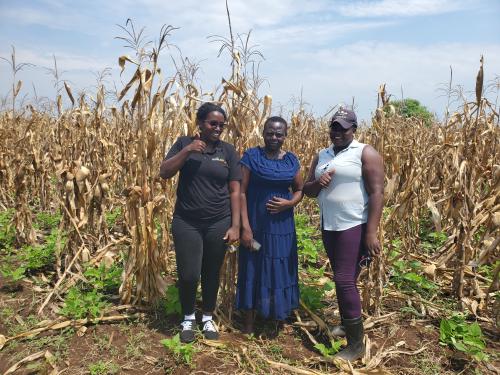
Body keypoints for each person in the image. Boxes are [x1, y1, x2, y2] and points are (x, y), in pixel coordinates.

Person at [303, 108, 383, 361]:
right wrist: (319, 183)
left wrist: (370, 232)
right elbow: (308, 190)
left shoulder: (364, 152)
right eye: (333, 127)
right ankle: (348, 325)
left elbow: (377, 193)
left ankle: (356, 344)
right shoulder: (322, 155)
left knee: (344, 280)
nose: (337, 132)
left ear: (354, 129)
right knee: (345, 278)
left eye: (343, 128)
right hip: (330, 226)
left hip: (354, 225)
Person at [160, 102, 241, 343]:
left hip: (218, 221)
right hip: (187, 221)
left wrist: (235, 225)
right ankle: (187, 318)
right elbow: (164, 172)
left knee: (211, 272)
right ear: (200, 123)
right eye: (212, 123)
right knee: (188, 274)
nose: (217, 128)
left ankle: (207, 316)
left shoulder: (228, 151)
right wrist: (188, 151)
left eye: (221, 124)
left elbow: (235, 190)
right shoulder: (184, 143)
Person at [236, 116, 304, 334]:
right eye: (270, 132)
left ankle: (276, 316)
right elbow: (241, 192)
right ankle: (248, 322)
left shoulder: (291, 161)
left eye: (279, 134)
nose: (274, 137)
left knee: (280, 266)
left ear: (285, 136)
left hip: (282, 227)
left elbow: (300, 189)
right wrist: (244, 228)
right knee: (253, 267)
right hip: (256, 223)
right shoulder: (251, 156)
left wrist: (289, 203)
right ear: (263, 132)